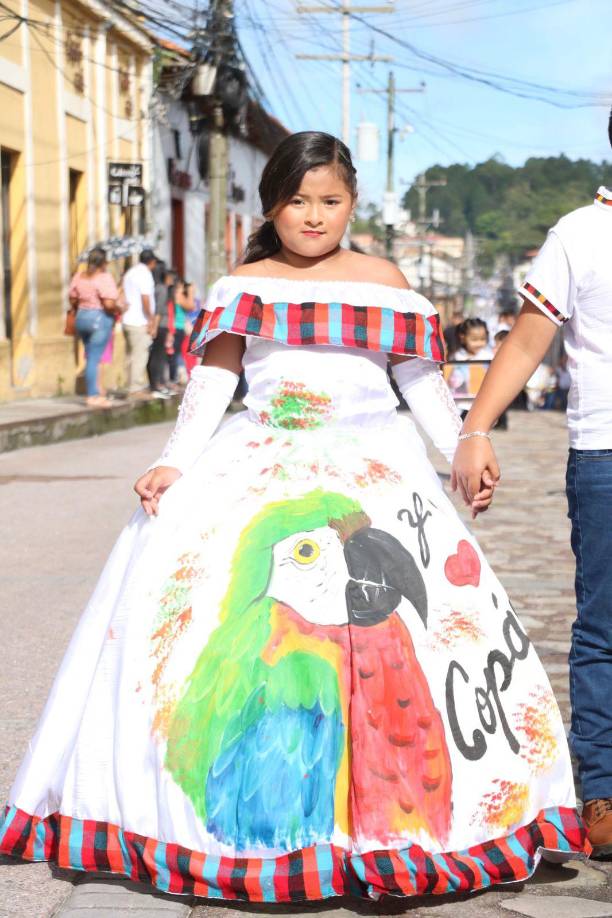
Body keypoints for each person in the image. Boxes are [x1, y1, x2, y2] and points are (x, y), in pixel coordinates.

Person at [0, 132, 588, 902]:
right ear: (271, 206)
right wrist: (175, 460)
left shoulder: (386, 283)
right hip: (258, 460)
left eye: (330, 201)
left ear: (352, 203)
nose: (314, 216)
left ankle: (405, 823)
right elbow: (215, 380)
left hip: (376, 471)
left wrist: (462, 446)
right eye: (297, 201)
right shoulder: (243, 285)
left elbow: (420, 381)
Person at [452, 112, 612, 859]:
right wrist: (476, 428)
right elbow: (525, 342)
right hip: (606, 454)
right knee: (605, 630)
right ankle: (603, 790)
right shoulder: (578, 234)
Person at [68, 247, 119, 408]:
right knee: (94, 358)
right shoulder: (104, 278)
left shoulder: (79, 276)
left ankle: (94, 392)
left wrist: (82, 306)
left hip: (81, 318)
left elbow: (72, 298)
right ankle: (93, 395)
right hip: (99, 319)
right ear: (103, 263)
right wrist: (119, 308)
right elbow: (109, 304)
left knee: (90, 355)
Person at [122, 248, 158, 398]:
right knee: (140, 355)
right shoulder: (145, 274)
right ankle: (135, 388)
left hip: (127, 319)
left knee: (131, 355)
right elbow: (145, 298)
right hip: (139, 320)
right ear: (152, 262)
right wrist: (151, 319)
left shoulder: (130, 273)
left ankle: (130, 385)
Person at [147, 262, 175, 399]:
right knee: (158, 356)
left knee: (156, 355)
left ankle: (156, 383)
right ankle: (156, 384)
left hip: (158, 324)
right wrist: (155, 326)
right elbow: (158, 310)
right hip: (160, 325)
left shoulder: (155, 287)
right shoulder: (162, 289)